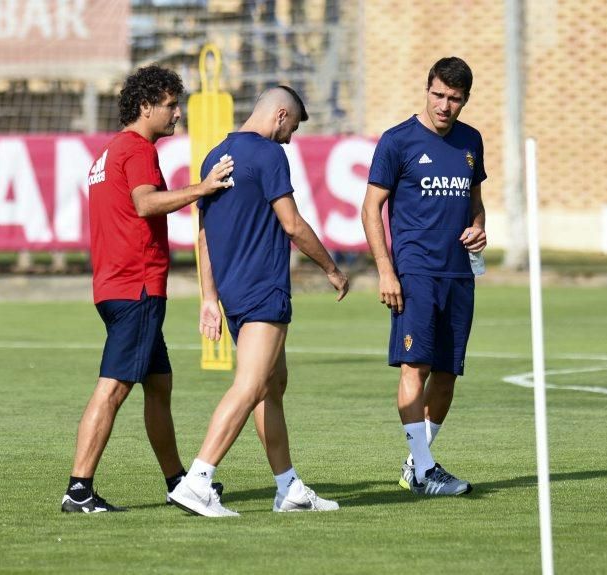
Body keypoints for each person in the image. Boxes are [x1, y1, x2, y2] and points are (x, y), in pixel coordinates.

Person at [60, 64, 235, 513]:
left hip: (116, 285)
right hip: (134, 286)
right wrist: (204, 187)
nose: (178, 114)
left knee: (159, 386)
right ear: (145, 107)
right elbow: (145, 204)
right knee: (114, 387)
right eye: (171, 105)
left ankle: (178, 482)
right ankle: (78, 489)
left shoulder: (109, 152)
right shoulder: (137, 149)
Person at [168, 86, 349, 517]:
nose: (290, 138)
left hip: (232, 292)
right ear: (281, 115)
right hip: (263, 288)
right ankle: (198, 480)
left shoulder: (216, 155)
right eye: (293, 128)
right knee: (251, 386)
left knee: (272, 387)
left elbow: (206, 235)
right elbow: (292, 224)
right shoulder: (270, 155)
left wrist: (209, 297)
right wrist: (331, 268)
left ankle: (289, 488)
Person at [361, 57, 487, 497]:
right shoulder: (398, 141)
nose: (445, 105)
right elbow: (370, 207)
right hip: (415, 272)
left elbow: (475, 203)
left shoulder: (471, 140)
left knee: (448, 372)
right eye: (438, 95)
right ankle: (425, 470)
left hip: (459, 274)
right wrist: (385, 270)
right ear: (426, 89)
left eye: (454, 99)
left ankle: (418, 465)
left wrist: (478, 227)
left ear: (465, 100)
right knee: (415, 365)